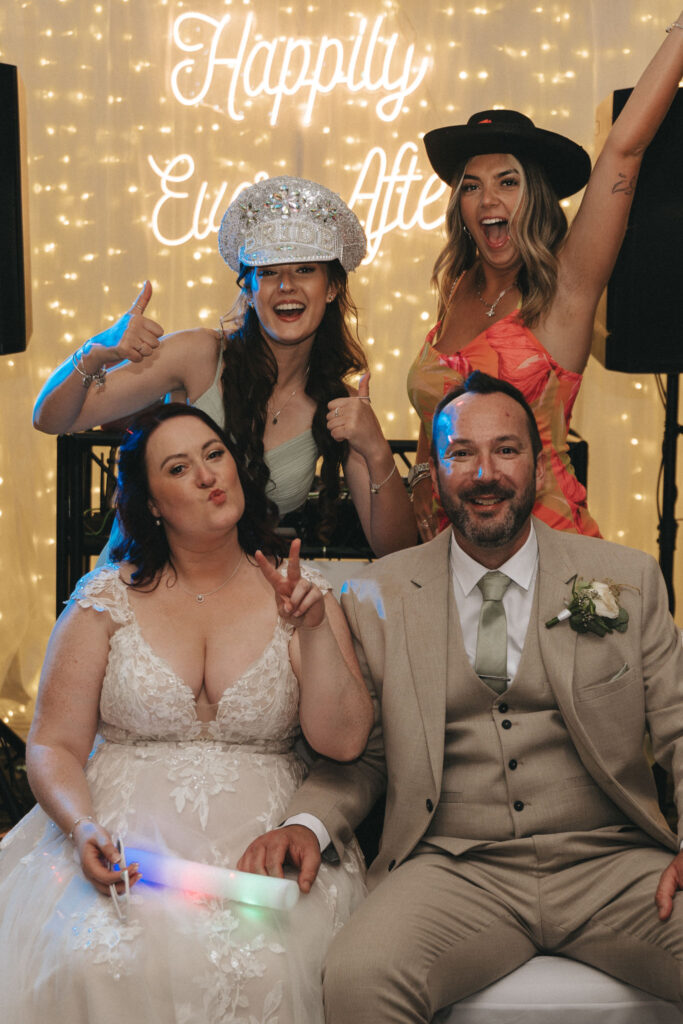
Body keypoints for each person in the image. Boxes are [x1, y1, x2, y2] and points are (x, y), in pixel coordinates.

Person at [240, 370, 683, 1020]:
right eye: (460, 453)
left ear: (536, 464)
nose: (485, 473)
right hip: (453, 868)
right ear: (432, 472)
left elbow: (676, 726)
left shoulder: (624, 579)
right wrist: (305, 825)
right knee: (359, 979)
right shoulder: (375, 594)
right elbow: (362, 757)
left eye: (505, 449)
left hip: (611, 863)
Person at [0, 403, 372, 1024]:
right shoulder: (104, 601)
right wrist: (82, 826)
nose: (207, 475)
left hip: (261, 849)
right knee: (97, 958)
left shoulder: (301, 592)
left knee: (275, 962)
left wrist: (311, 633)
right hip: (122, 840)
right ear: (150, 502)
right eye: (178, 467)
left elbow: (344, 742)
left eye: (214, 454)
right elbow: (54, 744)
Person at [32, 175, 415, 556]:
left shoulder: (339, 404)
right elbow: (50, 419)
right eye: (267, 272)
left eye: (304, 270)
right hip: (146, 583)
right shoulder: (200, 356)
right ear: (248, 291)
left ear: (331, 288)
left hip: (241, 599)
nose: (286, 285)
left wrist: (377, 449)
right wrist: (96, 351)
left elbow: (395, 549)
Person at [407, 14, 683, 542]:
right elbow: (436, 400)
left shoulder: (566, 289)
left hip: (549, 559)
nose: (489, 200)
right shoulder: (459, 285)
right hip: (456, 553)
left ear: (535, 194)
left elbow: (626, 146)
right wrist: (423, 472)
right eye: (472, 186)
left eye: (507, 182)